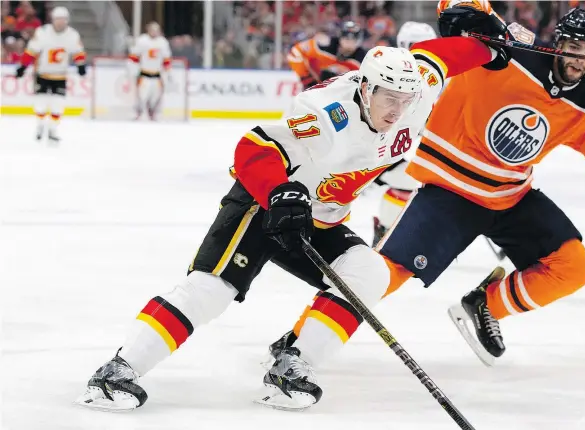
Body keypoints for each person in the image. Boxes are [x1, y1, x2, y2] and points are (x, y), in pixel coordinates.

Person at [74, 34, 502, 411]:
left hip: (321, 217)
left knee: (368, 271)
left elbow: (440, 58)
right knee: (212, 290)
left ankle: (291, 366)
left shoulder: (417, 93)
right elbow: (252, 148)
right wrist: (279, 193)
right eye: (388, 97)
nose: (398, 109)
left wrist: (488, 46)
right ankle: (116, 371)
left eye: (405, 100)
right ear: (366, 87)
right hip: (267, 202)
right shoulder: (325, 114)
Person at [267, 1, 585, 370]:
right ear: (558, 44)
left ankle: (486, 306)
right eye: (574, 46)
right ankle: (301, 340)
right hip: (449, 192)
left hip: (510, 196)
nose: (580, 58)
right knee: (381, 274)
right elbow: (452, 19)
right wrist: (478, 18)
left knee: (574, 266)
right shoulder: (506, 56)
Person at [372, 21, 439, 246]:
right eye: (418, 45)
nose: (424, 51)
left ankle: (383, 233)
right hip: (369, 151)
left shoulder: (426, 79)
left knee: (409, 180)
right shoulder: (390, 74)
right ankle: (383, 233)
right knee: (410, 181)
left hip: (381, 153)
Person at [14, 6, 85, 143]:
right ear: (53, 20)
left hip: (60, 75)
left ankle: (53, 129)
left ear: (67, 21)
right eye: (58, 19)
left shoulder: (72, 34)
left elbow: (78, 52)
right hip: (43, 73)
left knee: (57, 105)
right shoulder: (43, 32)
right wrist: (23, 66)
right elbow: (31, 51)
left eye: (63, 19)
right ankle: (40, 126)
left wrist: (80, 65)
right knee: (40, 103)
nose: (60, 22)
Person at [287, 21, 367, 90]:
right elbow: (295, 53)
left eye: (353, 38)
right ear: (340, 37)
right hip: (318, 94)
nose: (349, 41)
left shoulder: (363, 60)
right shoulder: (324, 46)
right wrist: (307, 79)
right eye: (346, 36)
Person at [128, 22, 172, 120]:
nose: (154, 32)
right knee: (142, 96)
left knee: (155, 97)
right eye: (152, 29)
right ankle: (138, 112)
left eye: (156, 30)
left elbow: (166, 59)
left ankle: (153, 112)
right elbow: (134, 56)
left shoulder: (163, 42)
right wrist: (133, 70)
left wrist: (168, 71)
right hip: (144, 74)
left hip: (157, 75)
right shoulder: (142, 41)